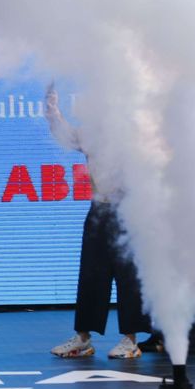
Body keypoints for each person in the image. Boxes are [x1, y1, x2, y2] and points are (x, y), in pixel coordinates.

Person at [44, 85, 148, 360]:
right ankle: (83, 338)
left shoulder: (136, 134)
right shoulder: (92, 133)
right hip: (98, 211)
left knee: (128, 278)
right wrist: (53, 112)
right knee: (91, 275)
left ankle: (130, 339)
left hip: (129, 212)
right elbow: (67, 136)